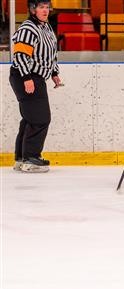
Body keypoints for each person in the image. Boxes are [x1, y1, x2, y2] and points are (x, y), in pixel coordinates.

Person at [9, 0, 62, 173]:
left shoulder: (46, 27)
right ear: (33, 10)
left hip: (35, 77)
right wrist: (27, 77)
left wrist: (54, 73)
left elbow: (50, 54)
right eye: (41, 7)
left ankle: (21, 158)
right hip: (26, 76)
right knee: (40, 118)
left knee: (31, 118)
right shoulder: (28, 28)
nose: (45, 10)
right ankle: (31, 158)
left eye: (47, 7)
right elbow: (20, 55)